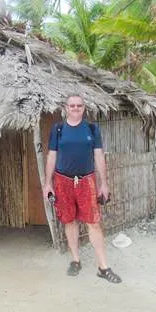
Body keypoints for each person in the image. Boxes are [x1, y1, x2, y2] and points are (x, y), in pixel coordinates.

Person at [43, 94, 122, 284]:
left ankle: (103, 267)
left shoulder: (92, 129)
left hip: (86, 180)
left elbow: (99, 156)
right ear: (66, 108)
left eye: (79, 105)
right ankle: (75, 260)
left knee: (93, 223)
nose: (76, 108)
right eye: (72, 105)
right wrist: (48, 183)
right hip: (63, 181)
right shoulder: (58, 129)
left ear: (84, 107)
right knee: (69, 221)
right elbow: (51, 157)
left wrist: (104, 183)